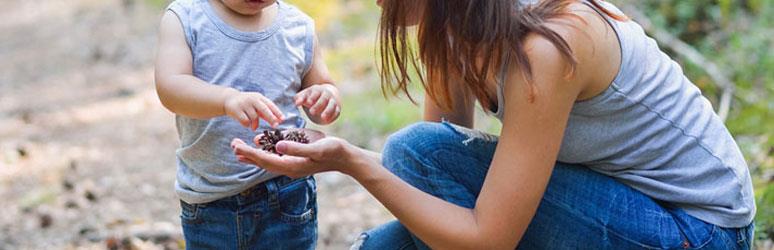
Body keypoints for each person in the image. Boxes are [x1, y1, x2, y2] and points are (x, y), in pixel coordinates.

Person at [232, 0, 756, 249]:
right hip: (609, 204)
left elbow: (486, 237)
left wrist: (352, 164)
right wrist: (338, 157)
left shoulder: (551, 42)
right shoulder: (452, 29)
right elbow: (432, 184)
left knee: (414, 151)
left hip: (698, 231)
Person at [154, 0, 341, 248]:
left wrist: (325, 98)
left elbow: (322, 87)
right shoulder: (186, 17)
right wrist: (226, 99)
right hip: (210, 198)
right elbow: (171, 87)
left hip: (286, 191)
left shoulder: (298, 27)